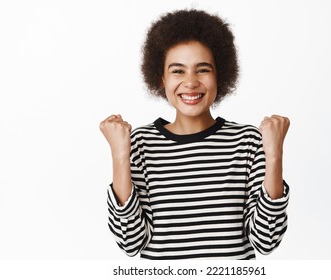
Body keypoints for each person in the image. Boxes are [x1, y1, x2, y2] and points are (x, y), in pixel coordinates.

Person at [100, 9, 290, 260]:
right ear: (161, 79)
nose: (190, 82)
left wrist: (274, 154)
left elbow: (266, 241)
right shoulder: (140, 144)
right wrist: (120, 156)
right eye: (178, 71)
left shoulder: (249, 142)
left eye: (202, 70)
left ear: (219, 75)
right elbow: (130, 242)